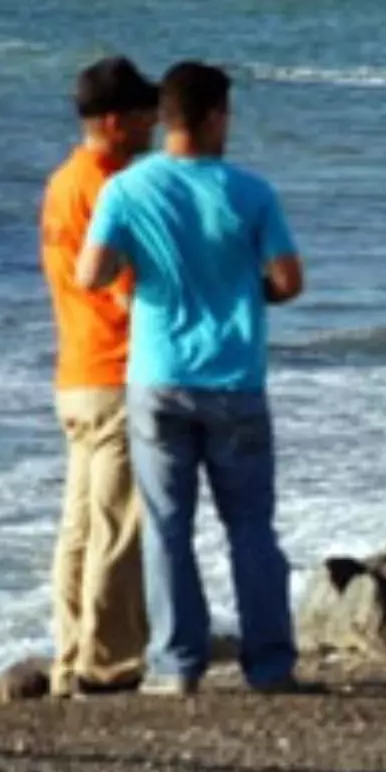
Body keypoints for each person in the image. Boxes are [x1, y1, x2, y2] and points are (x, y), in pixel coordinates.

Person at [77, 61, 305, 696]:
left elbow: (90, 273)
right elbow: (288, 280)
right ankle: (269, 665)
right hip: (234, 377)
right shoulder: (251, 191)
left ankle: (176, 664)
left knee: (167, 526)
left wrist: (140, 279)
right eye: (226, 114)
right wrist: (244, 290)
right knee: (251, 528)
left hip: (157, 376)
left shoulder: (126, 189)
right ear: (211, 117)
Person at [40, 56, 159, 698]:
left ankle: (69, 658)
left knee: (82, 527)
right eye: (143, 115)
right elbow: (126, 289)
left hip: (75, 371)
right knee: (117, 526)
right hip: (115, 369)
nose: (153, 125)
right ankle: (108, 666)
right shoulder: (114, 190)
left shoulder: (64, 183)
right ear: (114, 122)